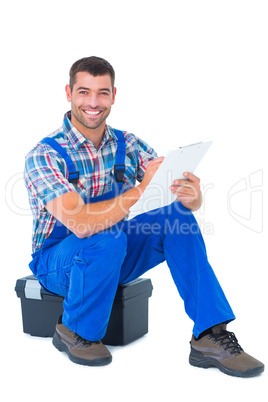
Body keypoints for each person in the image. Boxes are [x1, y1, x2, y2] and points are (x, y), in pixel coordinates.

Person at [24, 56, 264, 377]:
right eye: (84, 92)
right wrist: (139, 192)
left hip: (113, 252)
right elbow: (80, 223)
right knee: (104, 237)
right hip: (59, 264)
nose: (93, 102)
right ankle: (75, 330)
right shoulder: (45, 155)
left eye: (102, 93)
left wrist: (191, 197)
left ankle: (210, 333)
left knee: (174, 215)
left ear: (114, 95)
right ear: (69, 93)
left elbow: (167, 192)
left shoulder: (127, 143)